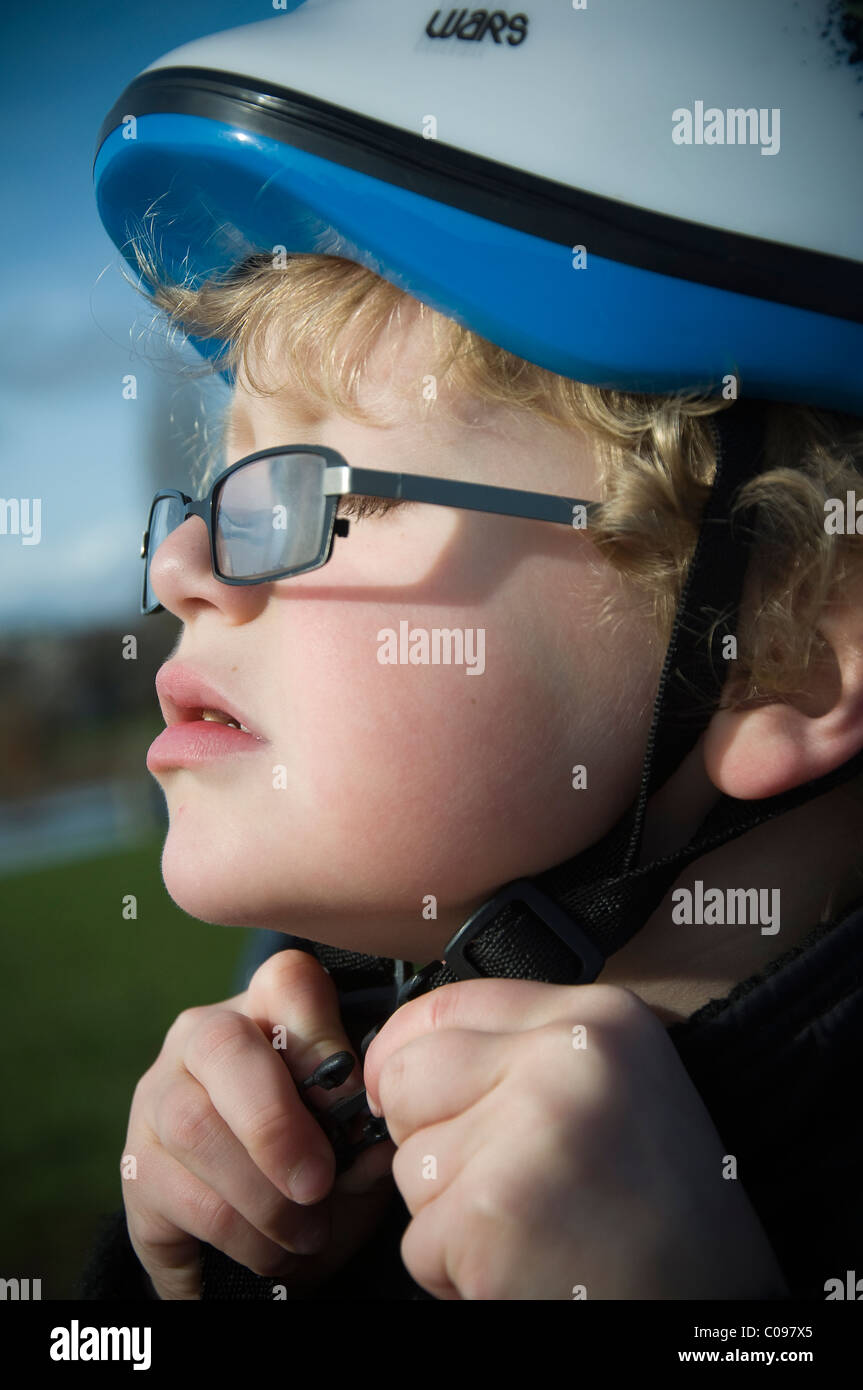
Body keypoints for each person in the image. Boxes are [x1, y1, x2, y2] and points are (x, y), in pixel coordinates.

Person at [80, 2, 863, 1300]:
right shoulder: (311, 1092)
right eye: (218, 494)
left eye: (325, 494)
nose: (178, 568)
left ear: (784, 645)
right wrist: (177, 1284)